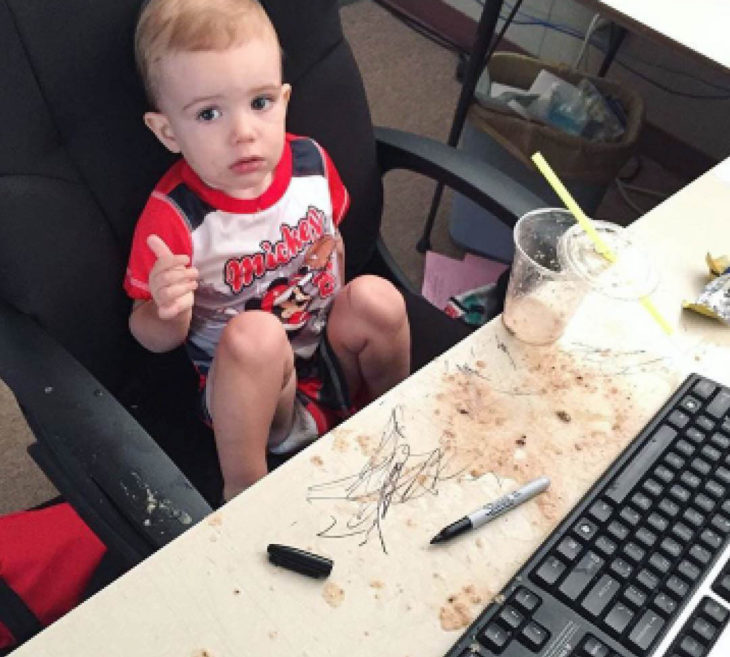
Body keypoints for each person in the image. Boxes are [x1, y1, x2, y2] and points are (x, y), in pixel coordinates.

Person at [124, 0, 411, 501]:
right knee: (255, 335)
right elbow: (145, 333)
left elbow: (334, 240)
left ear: (283, 99)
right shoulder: (175, 218)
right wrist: (166, 312)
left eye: (259, 103)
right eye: (209, 113)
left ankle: (393, 419)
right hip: (250, 395)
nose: (243, 133)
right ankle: (245, 491)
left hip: (325, 354)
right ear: (168, 131)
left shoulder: (311, 163)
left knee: (377, 298)